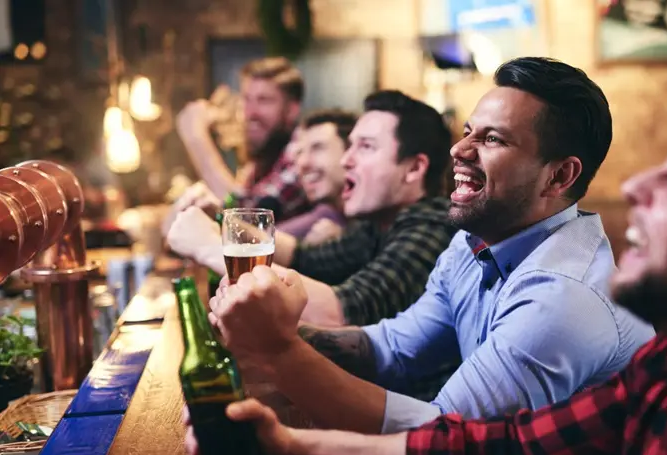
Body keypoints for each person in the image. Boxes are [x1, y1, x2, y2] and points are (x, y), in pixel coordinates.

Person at [184, 68, 667, 455]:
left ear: (559, 176)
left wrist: (280, 353)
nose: (639, 184)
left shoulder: (565, 298)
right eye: (467, 132)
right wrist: (280, 447)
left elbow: (447, 435)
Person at [168, 90, 457, 327]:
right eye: (350, 146)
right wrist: (225, 223)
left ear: (414, 168)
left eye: (366, 147)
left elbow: (340, 313)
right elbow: (302, 257)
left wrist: (209, 245)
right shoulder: (378, 225)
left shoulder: (432, 228)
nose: (346, 161)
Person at [175, 57, 310, 221]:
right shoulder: (262, 159)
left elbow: (249, 221)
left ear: (292, 110)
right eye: (246, 99)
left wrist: (197, 138)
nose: (250, 112)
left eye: (264, 100)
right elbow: (234, 203)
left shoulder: (302, 154)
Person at [276, 109, 357, 240]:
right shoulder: (326, 214)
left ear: (350, 152)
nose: (303, 162)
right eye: (299, 153)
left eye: (318, 148)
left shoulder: (382, 218)